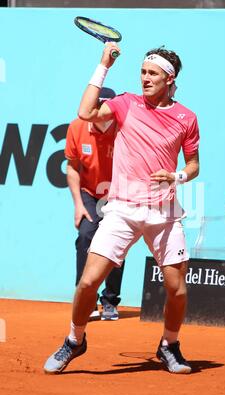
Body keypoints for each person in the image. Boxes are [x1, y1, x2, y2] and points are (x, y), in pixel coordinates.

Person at [44, 43, 200, 375]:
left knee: (177, 289)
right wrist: (104, 64)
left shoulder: (186, 117)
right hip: (122, 210)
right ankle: (75, 340)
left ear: (169, 80)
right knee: (88, 283)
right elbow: (85, 111)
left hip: (163, 213)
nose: (145, 78)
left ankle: (169, 345)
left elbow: (194, 165)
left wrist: (177, 175)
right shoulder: (126, 103)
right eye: (142, 71)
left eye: (152, 73)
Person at [65, 87, 124, 321]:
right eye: (98, 105)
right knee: (85, 237)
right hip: (90, 192)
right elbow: (72, 167)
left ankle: (110, 301)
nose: (102, 111)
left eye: (107, 106)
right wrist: (78, 204)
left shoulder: (124, 128)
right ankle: (86, 299)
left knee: (117, 244)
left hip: (119, 194)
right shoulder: (77, 126)